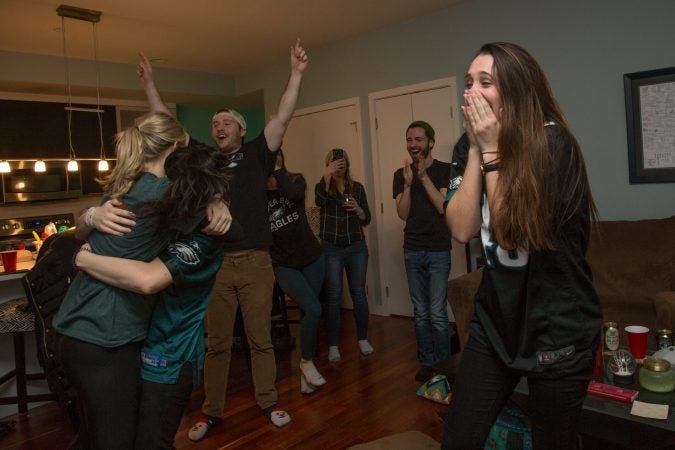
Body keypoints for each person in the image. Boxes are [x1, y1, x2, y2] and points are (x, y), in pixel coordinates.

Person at [137, 38, 309, 439]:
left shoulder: (257, 153)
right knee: (216, 344)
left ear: (242, 129)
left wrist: (296, 74)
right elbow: (169, 125)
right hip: (214, 264)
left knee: (260, 340)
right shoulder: (205, 160)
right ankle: (212, 411)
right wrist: (149, 85)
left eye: (226, 122)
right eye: (215, 124)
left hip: (255, 262)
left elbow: (283, 115)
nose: (218, 127)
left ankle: (268, 402)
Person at [442, 42, 601, 450]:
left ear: (515, 90)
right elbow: (461, 229)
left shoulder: (553, 145)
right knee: (459, 438)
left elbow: (513, 233)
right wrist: (478, 146)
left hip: (557, 328)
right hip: (496, 324)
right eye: (467, 83)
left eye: (485, 82)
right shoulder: (468, 147)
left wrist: (492, 148)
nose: (470, 92)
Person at [73, 144, 242, 450]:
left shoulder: (204, 239)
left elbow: (148, 280)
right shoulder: (175, 218)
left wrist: (84, 261)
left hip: (171, 356)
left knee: (152, 443)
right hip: (139, 345)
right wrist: (92, 215)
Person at [52, 112, 190, 449]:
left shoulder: (124, 186)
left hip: (78, 328)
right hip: (102, 336)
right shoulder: (164, 195)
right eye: (185, 150)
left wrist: (88, 216)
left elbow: (74, 240)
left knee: (92, 436)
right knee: (116, 441)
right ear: (173, 148)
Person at [392, 120, 453, 382]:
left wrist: (422, 176)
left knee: (438, 312)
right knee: (420, 312)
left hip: (439, 249)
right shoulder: (399, 174)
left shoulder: (446, 170)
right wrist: (407, 185)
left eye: (418, 139)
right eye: (409, 140)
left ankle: (445, 365)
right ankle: (427, 363)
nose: (413, 145)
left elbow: (442, 207)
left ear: (430, 142)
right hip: (413, 250)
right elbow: (403, 213)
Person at [267, 149, 326, 394]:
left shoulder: (295, 180)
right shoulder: (256, 194)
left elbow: (293, 196)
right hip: (283, 264)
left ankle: (306, 373)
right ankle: (306, 362)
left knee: (307, 313)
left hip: (312, 258)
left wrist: (279, 171)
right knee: (314, 309)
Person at [315, 148, 373, 363]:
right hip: (331, 249)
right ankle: (333, 346)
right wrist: (326, 175)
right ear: (328, 165)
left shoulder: (357, 188)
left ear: (347, 164)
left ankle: (363, 339)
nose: (338, 165)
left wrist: (359, 210)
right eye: (333, 162)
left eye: (341, 162)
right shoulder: (323, 187)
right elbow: (319, 201)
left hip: (356, 247)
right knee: (333, 296)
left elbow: (366, 219)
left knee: (358, 293)